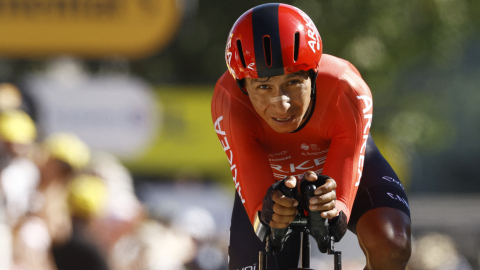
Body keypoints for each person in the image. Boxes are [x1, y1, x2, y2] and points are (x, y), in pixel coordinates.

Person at [211, 3, 411, 270]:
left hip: (336, 164)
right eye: (263, 86)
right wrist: (270, 213)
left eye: (293, 83)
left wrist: (334, 210)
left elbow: (337, 219)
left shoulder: (345, 87)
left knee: (391, 243)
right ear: (242, 86)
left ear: (313, 75)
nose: (281, 104)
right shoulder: (228, 102)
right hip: (272, 178)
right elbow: (261, 216)